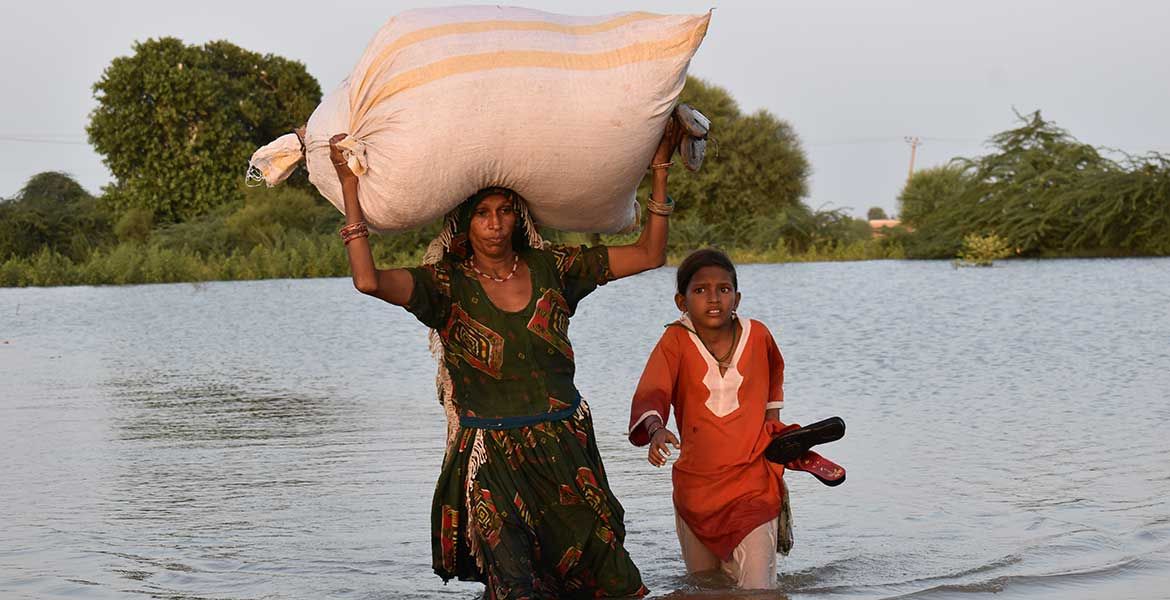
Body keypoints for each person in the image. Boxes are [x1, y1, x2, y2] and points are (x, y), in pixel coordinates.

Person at [326, 118, 682, 598]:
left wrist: (659, 168)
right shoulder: (444, 286)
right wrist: (350, 186)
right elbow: (368, 281)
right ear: (464, 223)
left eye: (506, 212)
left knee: (612, 578)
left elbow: (649, 254)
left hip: (564, 447)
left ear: (521, 218)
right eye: (483, 214)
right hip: (492, 457)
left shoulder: (554, 267)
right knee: (515, 586)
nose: (495, 225)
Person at [626, 248, 792, 590]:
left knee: (759, 590)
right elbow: (651, 391)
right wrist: (656, 430)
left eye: (724, 289)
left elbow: (774, 381)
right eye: (700, 290)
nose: (713, 298)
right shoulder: (675, 340)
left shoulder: (758, 335)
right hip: (695, 492)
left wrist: (775, 437)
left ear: (737, 296)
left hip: (752, 486)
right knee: (705, 586)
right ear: (681, 301)